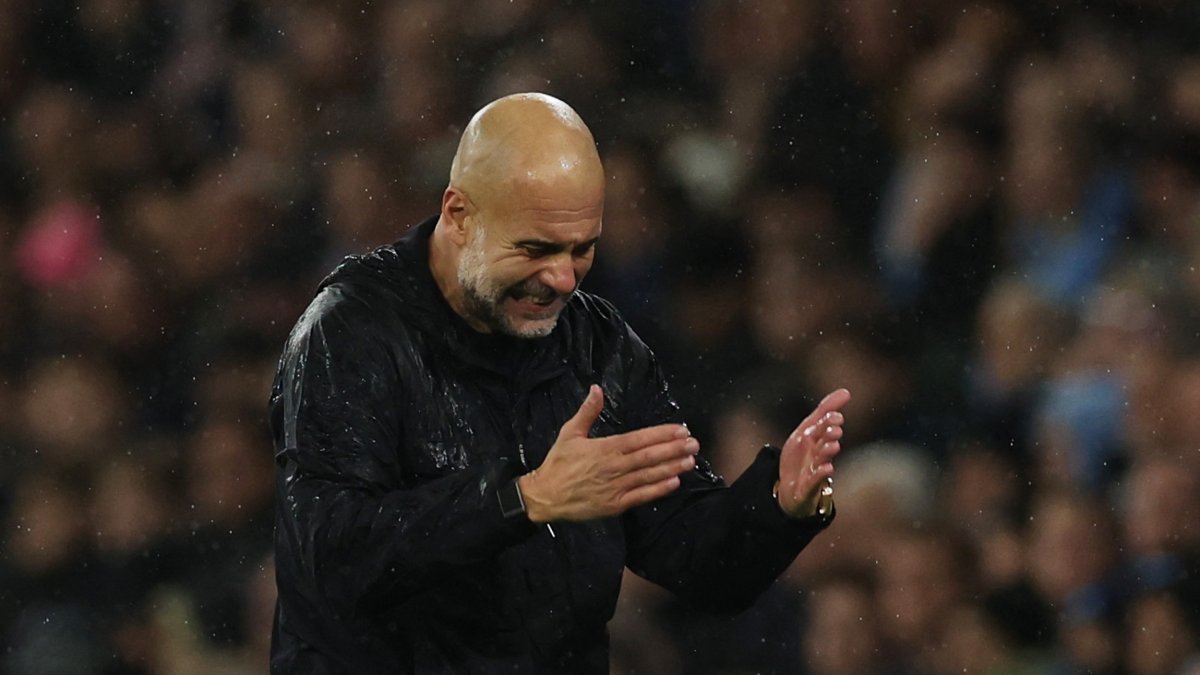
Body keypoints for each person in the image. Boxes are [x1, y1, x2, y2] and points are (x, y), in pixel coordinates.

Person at [268, 92, 850, 674]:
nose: (563, 277)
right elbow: (331, 560)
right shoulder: (349, 332)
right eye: (536, 248)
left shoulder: (598, 345)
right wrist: (523, 499)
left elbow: (692, 558)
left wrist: (776, 507)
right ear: (459, 214)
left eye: (583, 249)